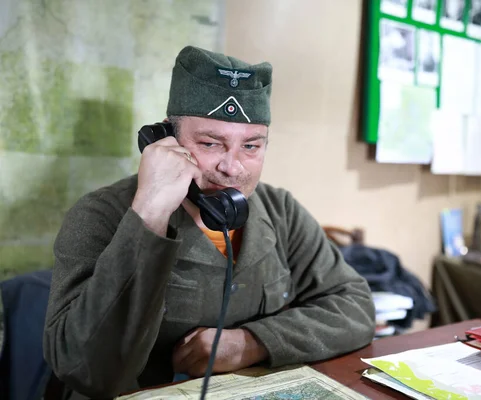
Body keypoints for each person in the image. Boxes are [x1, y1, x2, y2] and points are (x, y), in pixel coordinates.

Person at [43, 46, 376, 399]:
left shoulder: (280, 210)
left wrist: (251, 344)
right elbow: (84, 369)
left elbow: (354, 305)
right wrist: (150, 214)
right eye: (210, 143)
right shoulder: (101, 214)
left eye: (251, 147)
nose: (232, 168)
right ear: (165, 139)